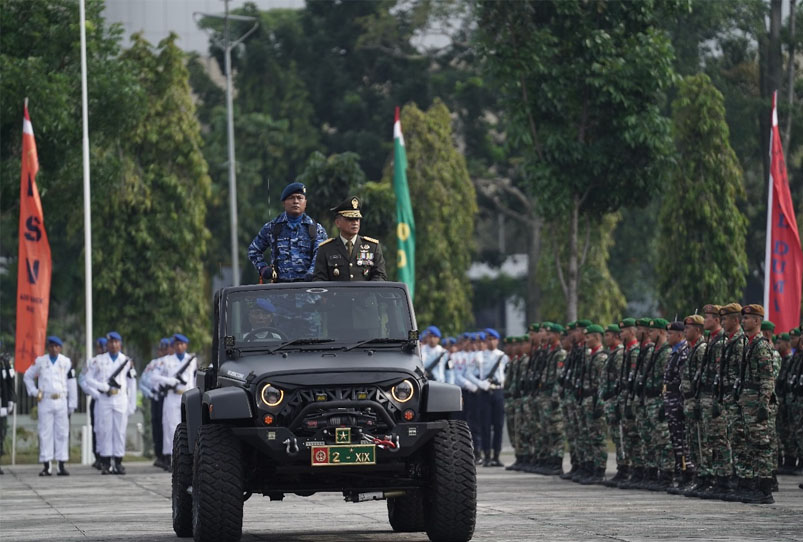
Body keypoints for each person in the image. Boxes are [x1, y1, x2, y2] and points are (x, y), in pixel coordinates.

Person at [248, 181, 328, 283]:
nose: (296, 201)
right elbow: (253, 250)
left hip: (308, 291)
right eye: (291, 198)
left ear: (305, 202)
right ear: (284, 203)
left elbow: (321, 255)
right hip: (280, 290)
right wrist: (263, 269)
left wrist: (312, 273)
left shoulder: (316, 229)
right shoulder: (272, 228)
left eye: (299, 198)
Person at [736, 305, 776, 504]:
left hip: (757, 402)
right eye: (743, 318)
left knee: (761, 445)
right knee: (751, 444)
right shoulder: (749, 343)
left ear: (757, 321)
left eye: (747, 318)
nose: (743, 321)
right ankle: (756, 486)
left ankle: (765, 490)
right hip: (748, 401)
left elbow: (767, 378)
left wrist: (763, 405)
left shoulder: (760, 345)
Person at [23, 336, 77, 476]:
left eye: (56, 346)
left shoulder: (66, 362)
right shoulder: (41, 361)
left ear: (60, 348)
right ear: (48, 347)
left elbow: (72, 383)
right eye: (51, 346)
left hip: (61, 400)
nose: (54, 349)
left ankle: (61, 464)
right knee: (45, 432)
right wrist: (35, 392)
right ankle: (47, 465)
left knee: (62, 432)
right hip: (45, 400)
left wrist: (72, 403)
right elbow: (27, 376)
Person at [85, 331, 137, 475]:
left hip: (120, 399)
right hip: (104, 399)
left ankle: (118, 462)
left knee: (119, 431)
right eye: (111, 342)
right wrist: (103, 387)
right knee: (105, 431)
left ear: (120, 344)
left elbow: (132, 383)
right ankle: (106, 463)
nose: (113, 345)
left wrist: (132, 404)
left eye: (116, 342)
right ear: (106, 344)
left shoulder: (126, 361)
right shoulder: (99, 360)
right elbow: (88, 379)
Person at [151, 334, 197, 472]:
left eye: (181, 344)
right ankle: (172, 459)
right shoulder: (165, 361)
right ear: (173, 346)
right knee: (171, 428)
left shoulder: (192, 360)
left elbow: (194, 378)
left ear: (186, 345)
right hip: (172, 397)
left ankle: (188, 461)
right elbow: (154, 377)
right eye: (176, 344)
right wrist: (168, 381)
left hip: (188, 396)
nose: (179, 346)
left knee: (189, 427)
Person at [312, 196, 386, 281]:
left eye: (357, 219)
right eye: (350, 219)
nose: (355, 223)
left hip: (365, 294)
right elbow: (319, 279)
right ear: (338, 223)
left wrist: (367, 292)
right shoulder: (326, 249)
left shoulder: (373, 247)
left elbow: (380, 276)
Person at [140, 338, 172, 469]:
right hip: (157, 398)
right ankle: (160, 455)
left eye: (166, 348)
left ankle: (168, 456)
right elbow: (144, 381)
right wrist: (151, 393)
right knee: (157, 426)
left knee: (168, 427)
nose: (164, 351)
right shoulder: (154, 364)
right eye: (162, 349)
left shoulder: (172, 362)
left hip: (169, 397)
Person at [78, 337, 107, 469]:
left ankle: (109, 456)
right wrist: (93, 392)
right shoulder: (92, 362)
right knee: (97, 428)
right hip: (97, 399)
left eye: (103, 347)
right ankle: (98, 456)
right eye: (100, 347)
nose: (101, 350)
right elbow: (82, 380)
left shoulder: (115, 362)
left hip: (110, 399)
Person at [0, 343, 16, 475]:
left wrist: (10, 400)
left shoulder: (5, 362)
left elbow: (11, 382)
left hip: (1, 403)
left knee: (1, 433)